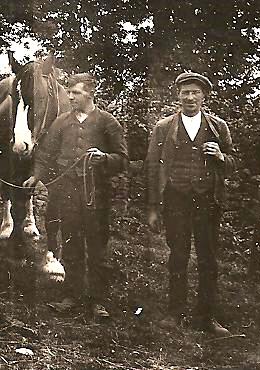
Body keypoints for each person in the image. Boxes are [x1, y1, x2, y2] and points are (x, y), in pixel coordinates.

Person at [24, 73, 128, 318]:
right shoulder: (61, 122)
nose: (70, 97)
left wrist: (104, 158)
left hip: (96, 195)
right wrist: (35, 176)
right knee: (70, 243)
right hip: (67, 195)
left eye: (76, 93)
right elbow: (46, 154)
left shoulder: (107, 122)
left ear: (90, 94)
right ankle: (71, 296)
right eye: (69, 92)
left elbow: (122, 159)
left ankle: (96, 300)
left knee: (96, 246)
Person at [145, 71, 236, 336]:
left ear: (204, 96)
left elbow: (233, 163)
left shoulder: (218, 127)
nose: (190, 97)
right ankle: (175, 312)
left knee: (208, 259)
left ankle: (207, 317)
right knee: (178, 255)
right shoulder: (164, 127)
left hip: (208, 201)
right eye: (185, 92)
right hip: (176, 199)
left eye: (195, 92)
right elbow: (152, 168)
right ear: (178, 96)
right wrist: (152, 207)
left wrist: (220, 156)